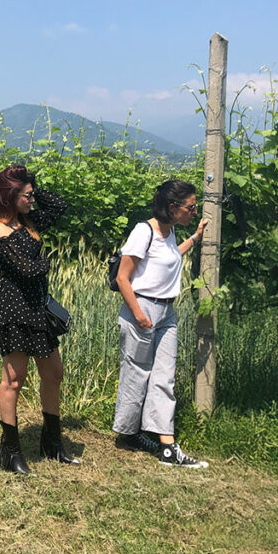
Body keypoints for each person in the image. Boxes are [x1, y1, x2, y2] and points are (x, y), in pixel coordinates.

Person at [0, 165, 78, 476]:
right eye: (26, 195)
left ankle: (52, 442)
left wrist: (32, 184)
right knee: (14, 379)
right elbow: (28, 270)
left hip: (37, 308)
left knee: (54, 373)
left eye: (33, 195)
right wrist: (47, 262)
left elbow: (59, 206)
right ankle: (9, 452)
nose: (33, 200)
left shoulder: (28, 222)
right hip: (13, 310)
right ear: (9, 196)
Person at [113, 179, 210, 468]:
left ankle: (165, 443)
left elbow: (168, 259)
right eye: (191, 207)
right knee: (136, 372)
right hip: (142, 308)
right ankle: (129, 433)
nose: (194, 211)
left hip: (167, 312)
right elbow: (122, 277)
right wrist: (139, 315)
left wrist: (194, 238)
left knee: (164, 375)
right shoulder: (144, 231)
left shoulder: (169, 233)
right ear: (172, 207)